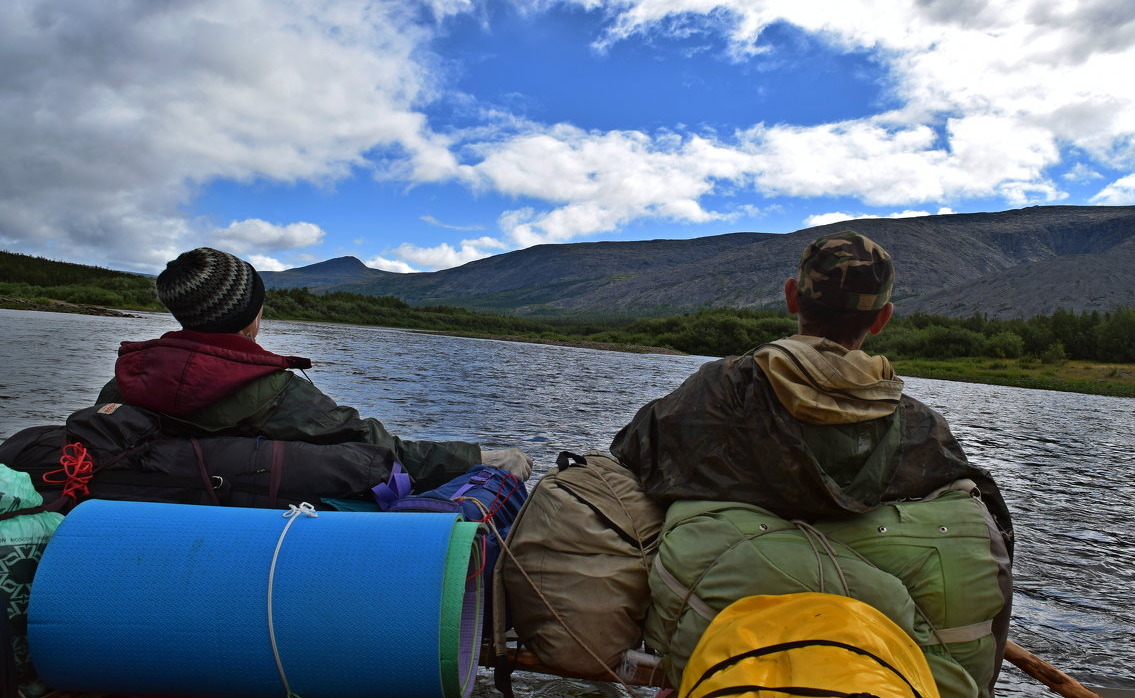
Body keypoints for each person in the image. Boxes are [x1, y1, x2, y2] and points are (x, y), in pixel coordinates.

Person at [610, 230, 1012, 691]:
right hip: (877, 632)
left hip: (711, 611)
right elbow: (983, 518)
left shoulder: (721, 389)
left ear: (790, 298)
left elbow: (631, 456)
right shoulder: (920, 425)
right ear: (882, 318)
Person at [97, 247, 531, 490]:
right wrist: (485, 457)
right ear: (251, 314)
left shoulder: (125, 382)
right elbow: (385, 452)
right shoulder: (275, 393)